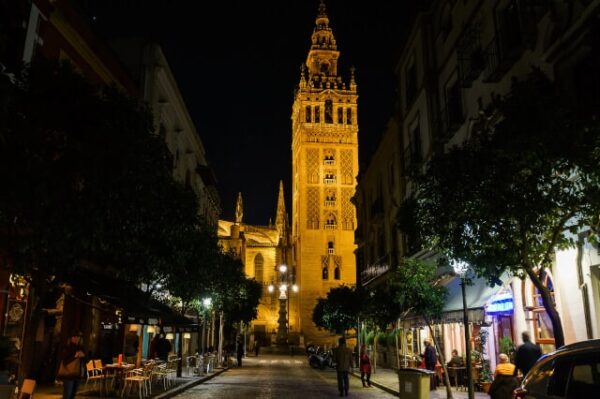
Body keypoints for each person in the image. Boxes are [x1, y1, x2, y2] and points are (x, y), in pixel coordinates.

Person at [58, 331, 85, 399]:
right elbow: (64, 360)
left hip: (78, 375)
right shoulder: (67, 347)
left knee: (73, 395)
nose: (76, 338)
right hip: (68, 375)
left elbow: (86, 361)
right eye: (74, 337)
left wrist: (83, 356)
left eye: (78, 337)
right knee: (67, 394)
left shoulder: (80, 347)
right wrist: (74, 356)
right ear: (71, 338)